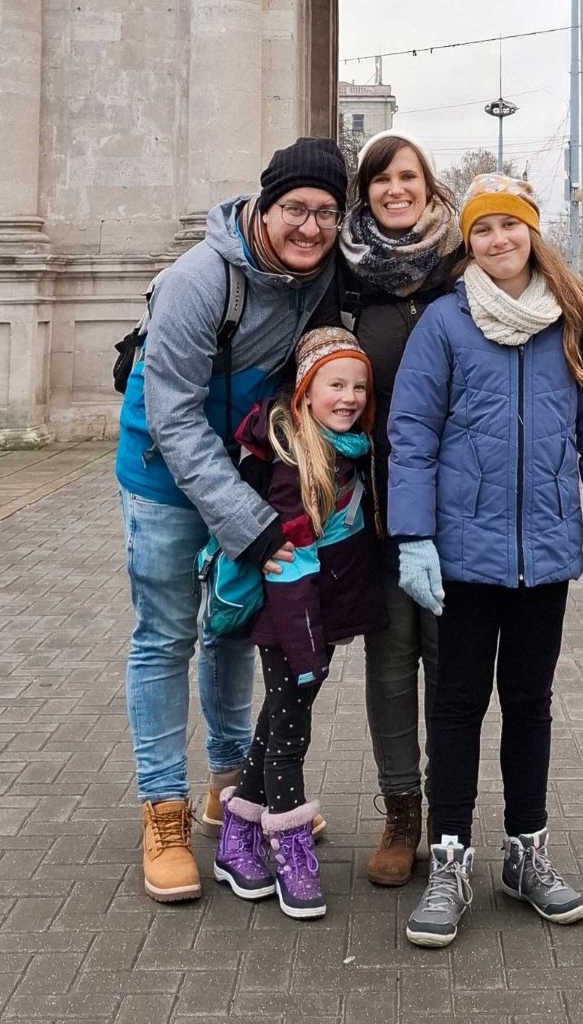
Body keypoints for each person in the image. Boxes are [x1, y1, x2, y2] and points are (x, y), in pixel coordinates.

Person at [339, 131, 583, 887]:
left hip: (545, 554)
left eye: (510, 224)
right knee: (455, 703)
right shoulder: (446, 317)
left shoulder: (573, 320)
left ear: (533, 231)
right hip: (460, 550)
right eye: (484, 229)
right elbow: (412, 434)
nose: (499, 239)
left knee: (530, 705)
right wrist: (415, 535)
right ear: (466, 243)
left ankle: (526, 853)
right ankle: (447, 856)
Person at [114, 137, 349, 903]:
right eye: (296, 209)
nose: (311, 227)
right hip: (162, 473)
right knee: (165, 637)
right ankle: (163, 810)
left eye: (326, 213)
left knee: (229, 630)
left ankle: (227, 787)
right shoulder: (197, 281)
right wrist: (252, 524)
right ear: (264, 206)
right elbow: (175, 419)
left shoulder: (317, 274)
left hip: (241, 471)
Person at [213, 327, 387, 919]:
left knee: (277, 720)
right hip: (291, 623)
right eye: (335, 385)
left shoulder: (348, 449)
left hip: (316, 618)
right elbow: (291, 567)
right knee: (291, 733)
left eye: (359, 386)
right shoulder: (299, 464)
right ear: (306, 391)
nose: (349, 397)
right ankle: (289, 846)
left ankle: (237, 837)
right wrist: (308, 648)